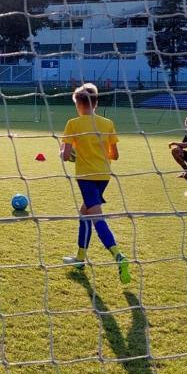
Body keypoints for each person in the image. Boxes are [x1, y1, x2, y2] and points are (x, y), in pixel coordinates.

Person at [60, 83, 131, 284]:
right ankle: (80, 258)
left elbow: (65, 156)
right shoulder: (107, 123)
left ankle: (119, 257)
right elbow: (114, 155)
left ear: (78, 104)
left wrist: (68, 152)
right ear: (96, 103)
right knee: (84, 214)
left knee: (98, 219)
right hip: (104, 176)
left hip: (86, 177)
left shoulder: (73, 124)